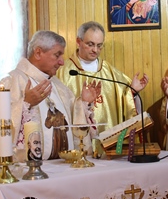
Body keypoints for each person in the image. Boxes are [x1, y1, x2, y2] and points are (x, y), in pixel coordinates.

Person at [0, 30, 101, 162]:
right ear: (38, 53)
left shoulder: (59, 87)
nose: (62, 62)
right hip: (29, 168)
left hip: (64, 165)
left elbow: (75, 124)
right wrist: (25, 104)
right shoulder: (12, 81)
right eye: (57, 55)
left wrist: (83, 104)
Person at [58, 21, 148, 153]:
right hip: (77, 144)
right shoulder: (63, 72)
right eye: (90, 44)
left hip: (109, 145)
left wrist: (132, 92)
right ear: (78, 41)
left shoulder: (111, 72)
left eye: (99, 45)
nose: (95, 50)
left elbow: (126, 102)